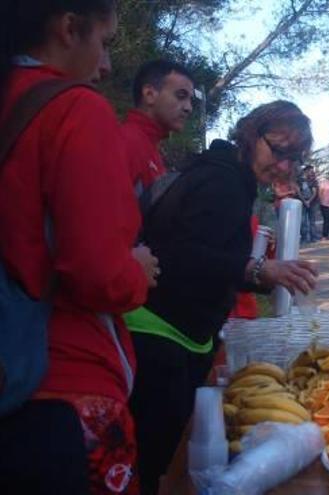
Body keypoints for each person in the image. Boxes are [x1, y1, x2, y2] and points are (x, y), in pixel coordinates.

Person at [0, 2, 159, 493]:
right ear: (69, 27)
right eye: (106, 43)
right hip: (62, 384)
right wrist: (137, 269)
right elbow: (99, 275)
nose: (107, 66)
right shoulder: (74, 108)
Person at [125, 100, 318, 494]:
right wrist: (259, 270)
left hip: (177, 335)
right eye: (278, 151)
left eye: (293, 159)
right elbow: (183, 256)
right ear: (250, 135)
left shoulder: (229, 177)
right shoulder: (223, 181)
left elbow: (216, 260)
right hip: (158, 335)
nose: (283, 166)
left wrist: (267, 275)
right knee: (157, 466)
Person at [120, 59, 194, 195]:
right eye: (181, 96)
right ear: (149, 94)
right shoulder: (126, 142)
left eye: (190, 100)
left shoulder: (151, 149)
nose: (189, 108)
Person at [298, 165, 320, 243]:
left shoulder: (314, 181)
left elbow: (315, 192)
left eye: (311, 170)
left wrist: (309, 201)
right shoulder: (300, 181)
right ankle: (304, 238)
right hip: (303, 202)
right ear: (305, 171)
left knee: (312, 221)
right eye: (309, 170)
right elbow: (298, 192)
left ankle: (313, 237)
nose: (311, 172)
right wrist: (304, 201)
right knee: (303, 221)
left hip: (313, 203)